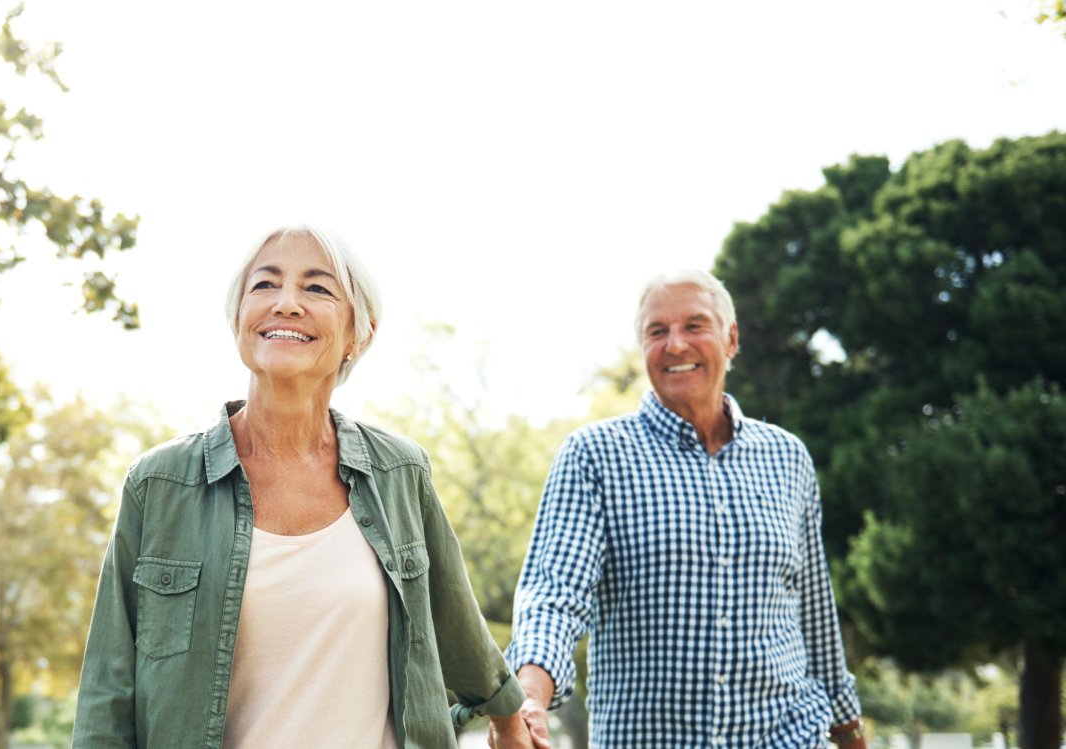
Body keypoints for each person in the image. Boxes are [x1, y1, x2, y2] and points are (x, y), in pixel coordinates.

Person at [73, 226, 532, 749]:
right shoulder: (159, 485)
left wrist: (507, 715)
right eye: (265, 285)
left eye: (317, 288)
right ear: (238, 318)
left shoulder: (401, 473)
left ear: (360, 332)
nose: (286, 303)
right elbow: (107, 693)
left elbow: (453, 620)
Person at [497, 270, 867, 749]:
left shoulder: (787, 456)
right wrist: (528, 696)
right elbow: (554, 594)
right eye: (657, 331)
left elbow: (814, 611)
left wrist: (848, 729)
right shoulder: (596, 455)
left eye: (695, 325)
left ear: (731, 339)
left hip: (787, 736)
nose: (675, 345)